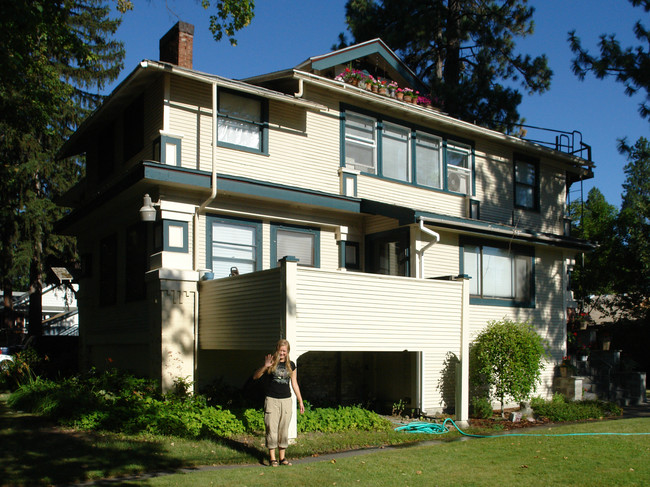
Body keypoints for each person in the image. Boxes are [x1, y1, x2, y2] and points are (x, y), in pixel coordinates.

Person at [252, 339, 304, 466]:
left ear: (287, 352)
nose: (282, 353)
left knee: (283, 429)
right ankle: (272, 458)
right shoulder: (271, 363)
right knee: (272, 429)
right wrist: (265, 366)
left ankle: (282, 458)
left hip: (286, 400)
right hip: (272, 400)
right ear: (277, 350)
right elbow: (255, 376)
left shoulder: (291, 365)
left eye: (284, 351)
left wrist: (300, 401)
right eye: (280, 350)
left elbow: (294, 383)